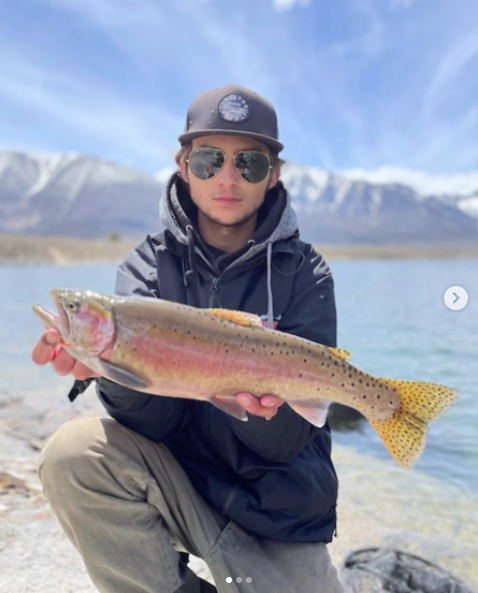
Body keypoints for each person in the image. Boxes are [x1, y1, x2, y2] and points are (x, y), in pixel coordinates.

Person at [32, 84, 343, 593]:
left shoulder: (306, 273)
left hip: (277, 514)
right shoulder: (143, 267)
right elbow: (153, 419)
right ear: (183, 165)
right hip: (178, 488)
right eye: (208, 160)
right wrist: (111, 371)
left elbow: (288, 440)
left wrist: (259, 410)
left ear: (274, 176)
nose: (227, 177)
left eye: (250, 163)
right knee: (73, 453)